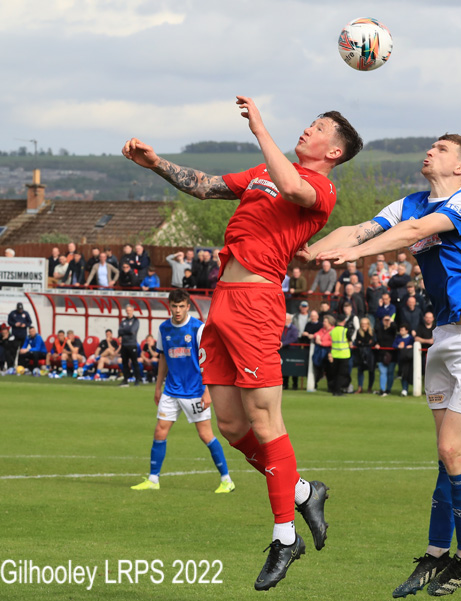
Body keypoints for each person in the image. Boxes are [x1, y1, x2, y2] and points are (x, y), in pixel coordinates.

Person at [122, 95, 362, 589]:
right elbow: (207, 187)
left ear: (333, 152)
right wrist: (156, 164)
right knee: (230, 425)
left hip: (256, 305)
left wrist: (259, 128)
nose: (308, 130)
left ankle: (284, 538)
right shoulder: (265, 171)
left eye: (318, 128)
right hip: (223, 301)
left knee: (264, 420)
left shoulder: (319, 187)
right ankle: (300, 490)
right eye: (311, 123)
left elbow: (293, 186)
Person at [309, 134, 461, 596]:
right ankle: (436, 555)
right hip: (443, 339)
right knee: (444, 454)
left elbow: (410, 234)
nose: (430, 151)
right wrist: (309, 248)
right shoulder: (411, 201)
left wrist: (355, 254)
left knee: (453, 451)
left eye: (441, 149)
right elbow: (361, 228)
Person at [130, 289, 235, 494]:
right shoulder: (164, 328)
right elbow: (163, 359)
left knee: (206, 435)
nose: (177, 310)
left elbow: (209, 360)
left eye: (181, 306)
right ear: (169, 306)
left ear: (188, 307)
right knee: (160, 431)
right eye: (174, 306)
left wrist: (208, 391)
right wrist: (158, 386)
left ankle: (226, 480)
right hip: (171, 390)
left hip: (195, 391)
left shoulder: (198, 328)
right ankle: (153, 479)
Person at [117, 305, 143, 386]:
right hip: (124, 345)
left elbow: (132, 330)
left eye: (129, 310)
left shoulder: (136, 321)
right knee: (124, 363)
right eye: (127, 310)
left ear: (132, 310)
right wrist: (127, 330)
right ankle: (125, 379)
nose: (128, 312)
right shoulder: (123, 321)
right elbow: (119, 331)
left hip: (132, 344)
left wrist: (125, 330)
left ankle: (137, 379)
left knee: (134, 362)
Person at [328, 314, 351, 396]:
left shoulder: (332, 331)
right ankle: (338, 391)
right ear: (344, 321)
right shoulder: (345, 330)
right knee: (341, 374)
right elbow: (350, 341)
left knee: (335, 373)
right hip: (344, 355)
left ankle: (334, 390)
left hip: (334, 354)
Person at [353, 317, 376, 394]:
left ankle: (370, 388)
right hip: (360, 354)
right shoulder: (358, 332)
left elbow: (372, 342)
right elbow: (357, 342)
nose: (364, 325)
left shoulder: (372, 332)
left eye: (365, 324)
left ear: (368, 324)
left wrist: (362, 343)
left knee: (371, 371)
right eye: (362, 324)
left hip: (370, 354)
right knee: (360, 370)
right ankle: (360, 388)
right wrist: (365, 343)